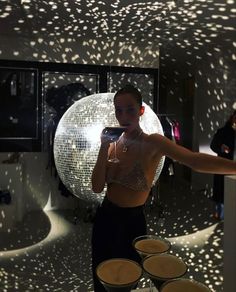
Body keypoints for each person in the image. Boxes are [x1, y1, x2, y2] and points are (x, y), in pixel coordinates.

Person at [91, 85, 236, 292]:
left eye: (130, 109)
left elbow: (193, 160)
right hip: (104, 219)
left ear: (141, 111)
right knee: (101, 279)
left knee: (126, 281)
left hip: (132, 223)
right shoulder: (112, 145)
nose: (123, 116)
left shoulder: (153, 142)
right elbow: (97, 188)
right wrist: (103, 147)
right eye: (118, 110)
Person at [210, 110, 236, 220]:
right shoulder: (223, 131)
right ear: (232, 118)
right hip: (223, 165)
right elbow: (213, 145)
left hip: (233, 167)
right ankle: (219, 214)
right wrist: (221, 148)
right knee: (221, 192)